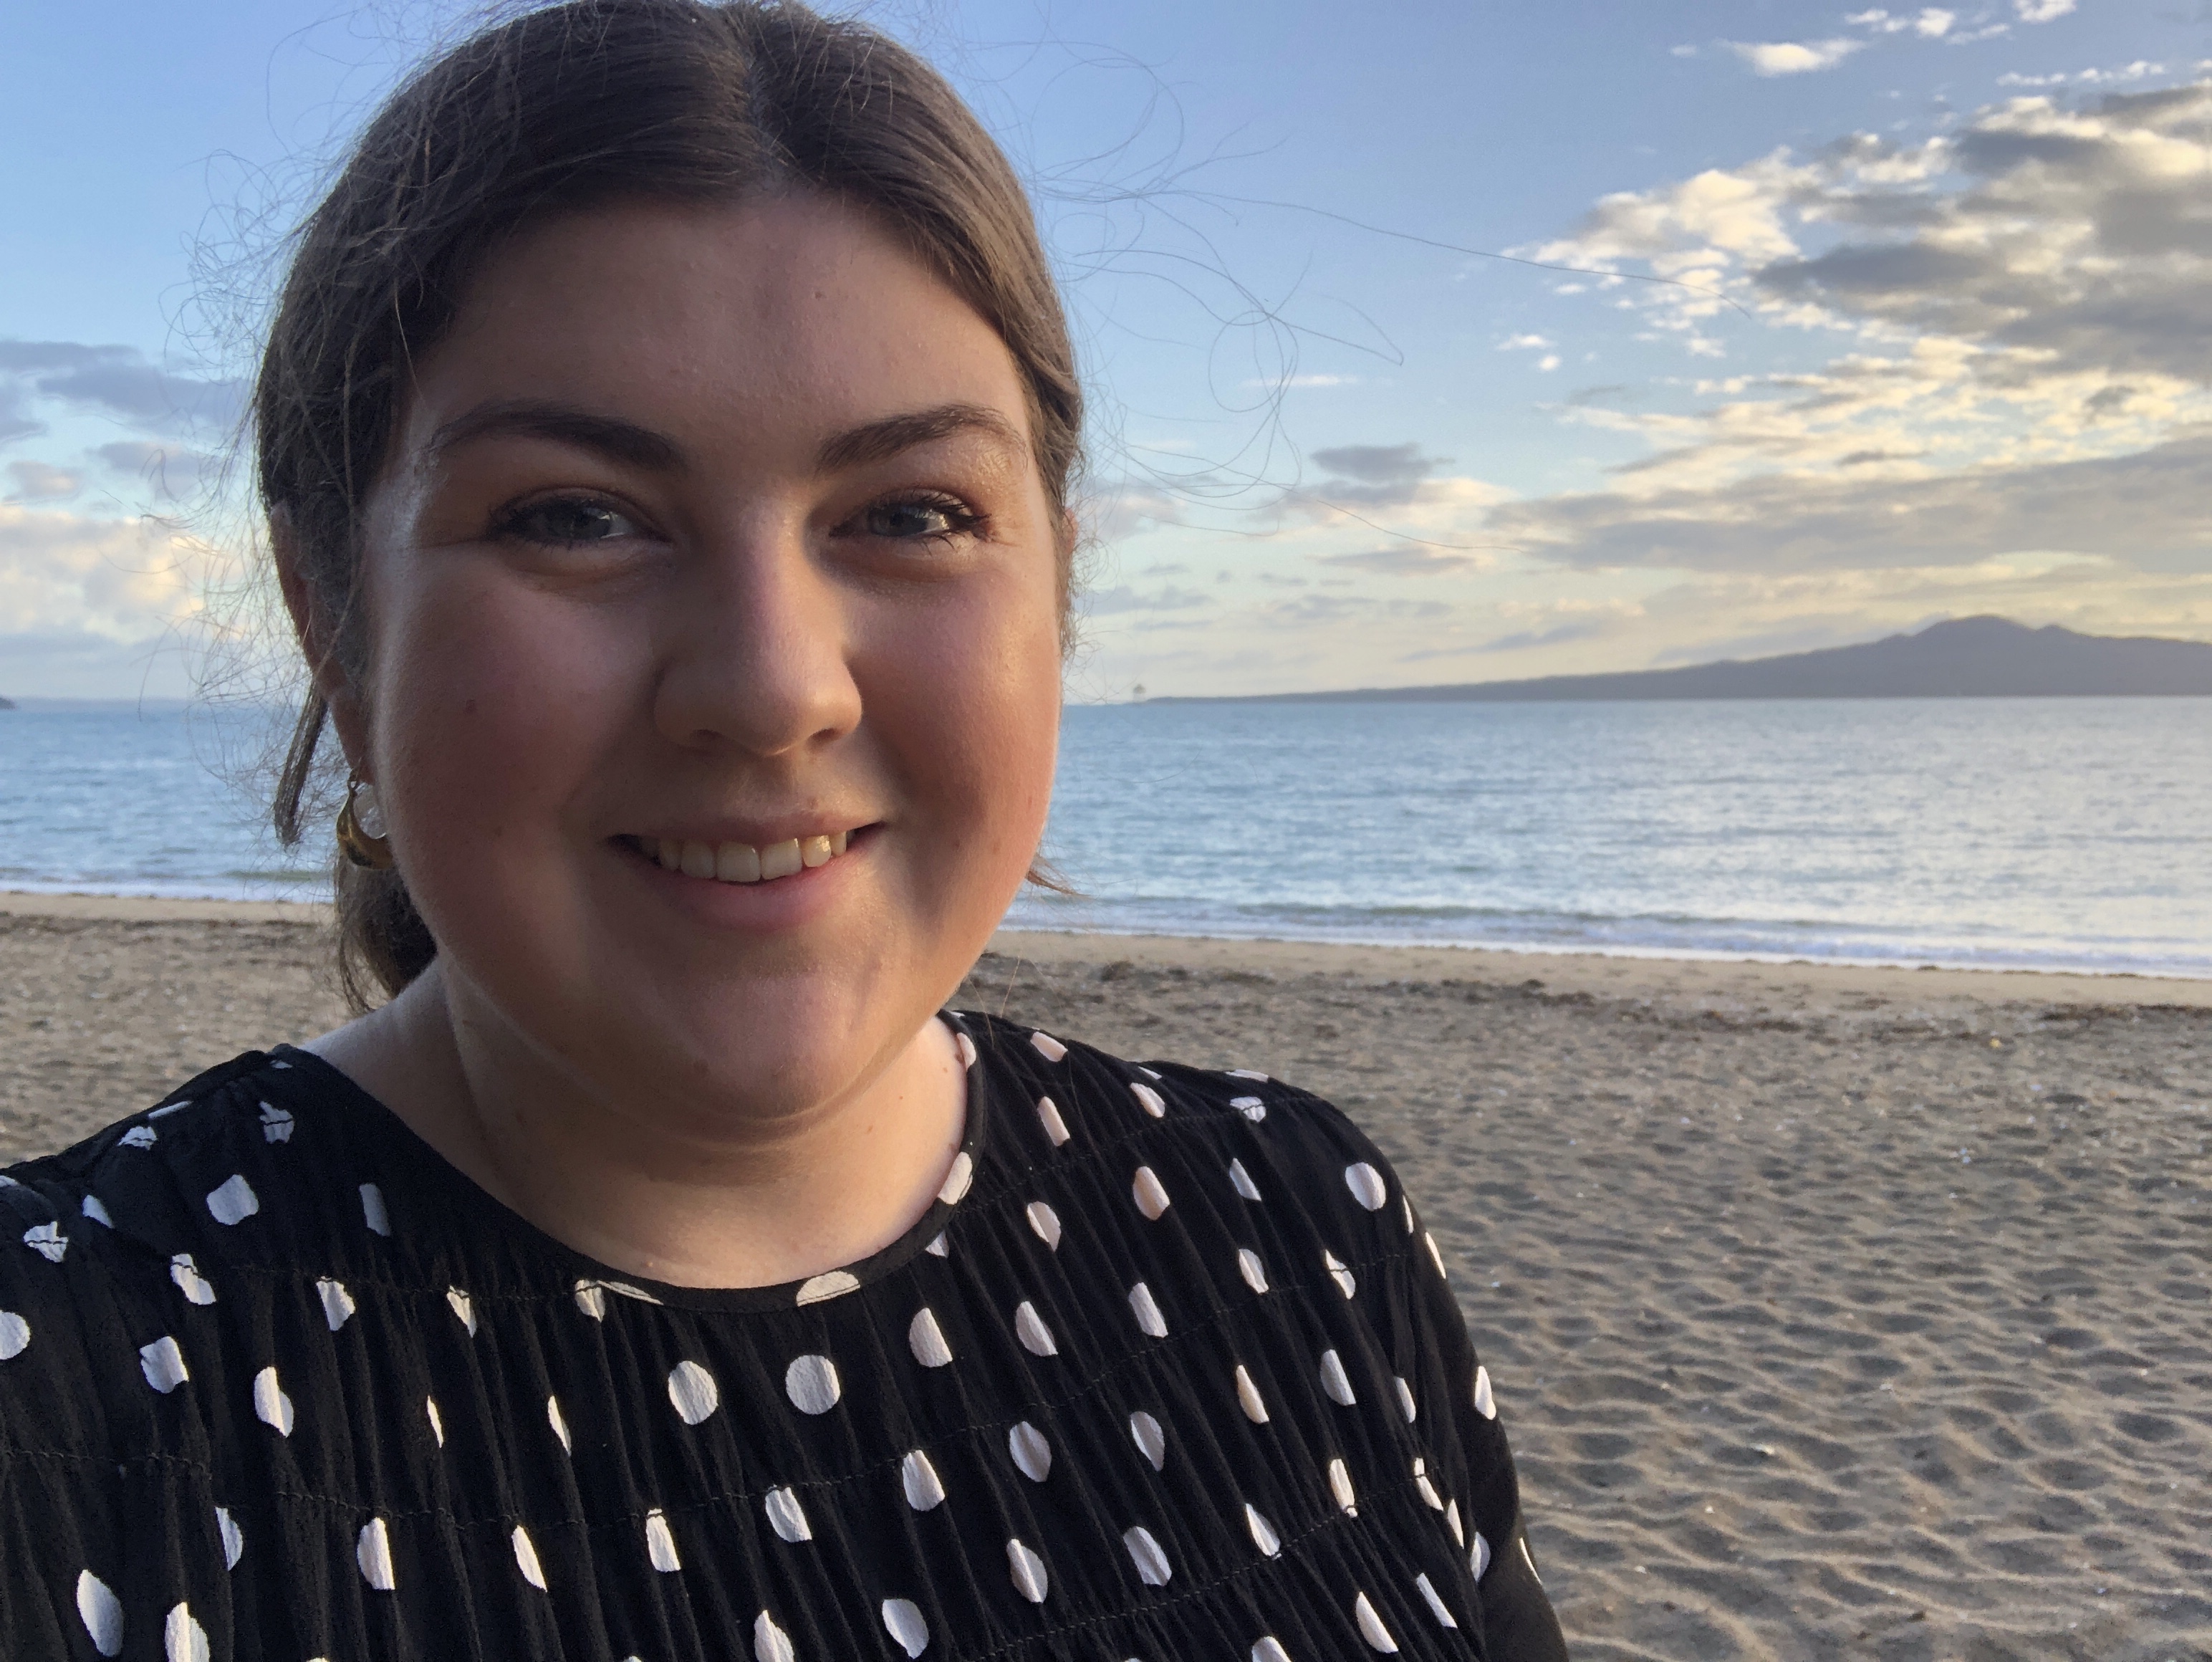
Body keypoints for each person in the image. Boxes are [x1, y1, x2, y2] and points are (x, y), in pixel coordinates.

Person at [0, 3, 1567, 1656]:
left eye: (909, 515)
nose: (768, 685)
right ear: (337, 617)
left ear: (1058, 587)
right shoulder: (66, 1384)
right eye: (574, 517)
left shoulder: (1297, 1235)